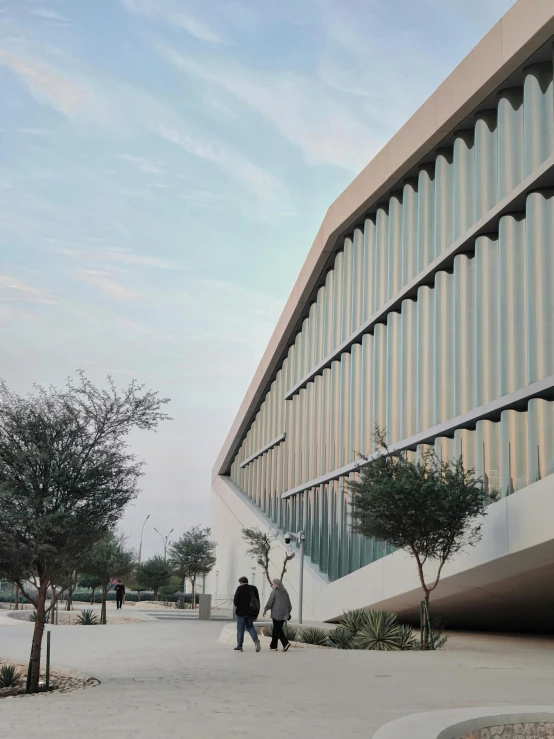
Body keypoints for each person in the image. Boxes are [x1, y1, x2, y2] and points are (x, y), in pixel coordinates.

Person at [233, 576, 261, 652]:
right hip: (251, 612)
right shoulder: (254, 588)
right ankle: (256, 641)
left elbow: (235, 601)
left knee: (240, 629)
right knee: (250, 627)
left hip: (241, 612)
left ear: (241, 582)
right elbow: (257, 601)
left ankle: (239, 646)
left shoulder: (240, 588)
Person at [263, 579, 292, 652]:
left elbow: (270, 602)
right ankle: (273, 646)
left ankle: (285, 643)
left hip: (276, 613)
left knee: (277, 629)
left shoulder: (274, 592)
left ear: (277, 585)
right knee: (276, 628)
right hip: (284, 614)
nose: (272, 585)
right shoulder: (285, 592)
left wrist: (266, 609)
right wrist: (288, 612)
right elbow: (289, 603)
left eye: (273, 584)